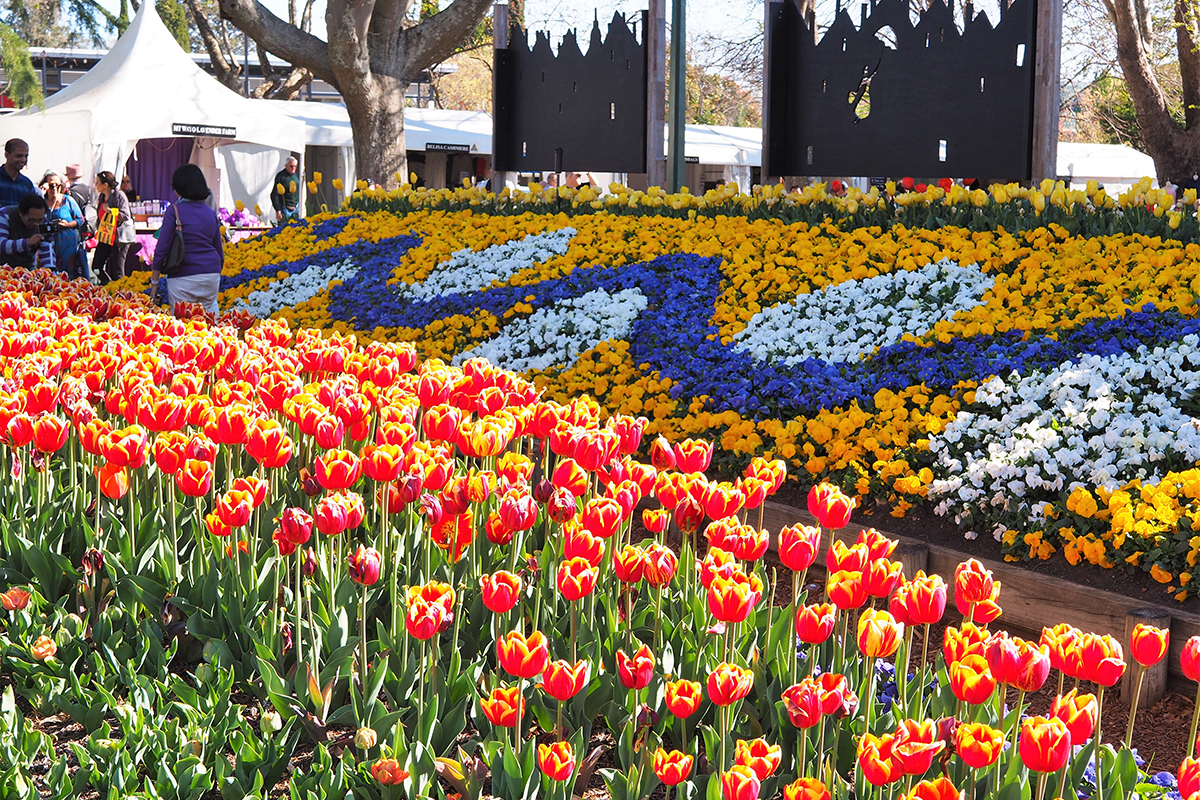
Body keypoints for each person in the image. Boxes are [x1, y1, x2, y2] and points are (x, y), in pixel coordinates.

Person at [149, 164, 223, 315]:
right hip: (211, 274)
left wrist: (154, 285)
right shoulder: (210, 213)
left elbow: (161, 250)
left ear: (178, 188)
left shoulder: (174, 211)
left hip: (183, 276)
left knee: (183, 323)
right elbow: (219, 252)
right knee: (209, 320)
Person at [38, 172, 85, 278]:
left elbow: (80, 219)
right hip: (47, 245)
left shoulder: (67, 201)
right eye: (51, 185)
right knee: (49, 273)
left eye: (57, 185)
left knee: (67, 274)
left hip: (67, 244)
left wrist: (68, 224)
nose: (54, 188)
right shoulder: (41, 202)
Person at [92, 170, 135, 285]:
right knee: (96, 267)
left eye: (97, 183)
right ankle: (108, 284)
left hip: (118, 237)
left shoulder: (119, 195)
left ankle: (120, 295)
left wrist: (111, 211)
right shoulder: (102, 197)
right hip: (105, 236)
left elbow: (126, 216)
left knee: (118, 272)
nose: (95, 185)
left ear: (105, 185)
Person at [0, 194, 55, 270]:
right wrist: (26, 243)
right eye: (31, 220)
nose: (36, 224)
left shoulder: (44, 222)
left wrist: (50, 271)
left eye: (39, 220)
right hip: (3, 268)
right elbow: (1, 245)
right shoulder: (5, 215)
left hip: (27, 268)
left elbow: (47, 250)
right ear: (20, 213)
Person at [0, 139, 35, 208]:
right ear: (6, 155)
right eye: (19, 156)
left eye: (26, 156)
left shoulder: (27, 184)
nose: (23, 160)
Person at [271, 157, 301, 222]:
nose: (293, 168)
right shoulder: (281, 176)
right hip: (285, 207)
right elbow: (274, 194)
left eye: (295, 166)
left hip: (295, 207)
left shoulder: (296, 175)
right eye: (291, 166)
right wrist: (278, 210)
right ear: (286, 166)